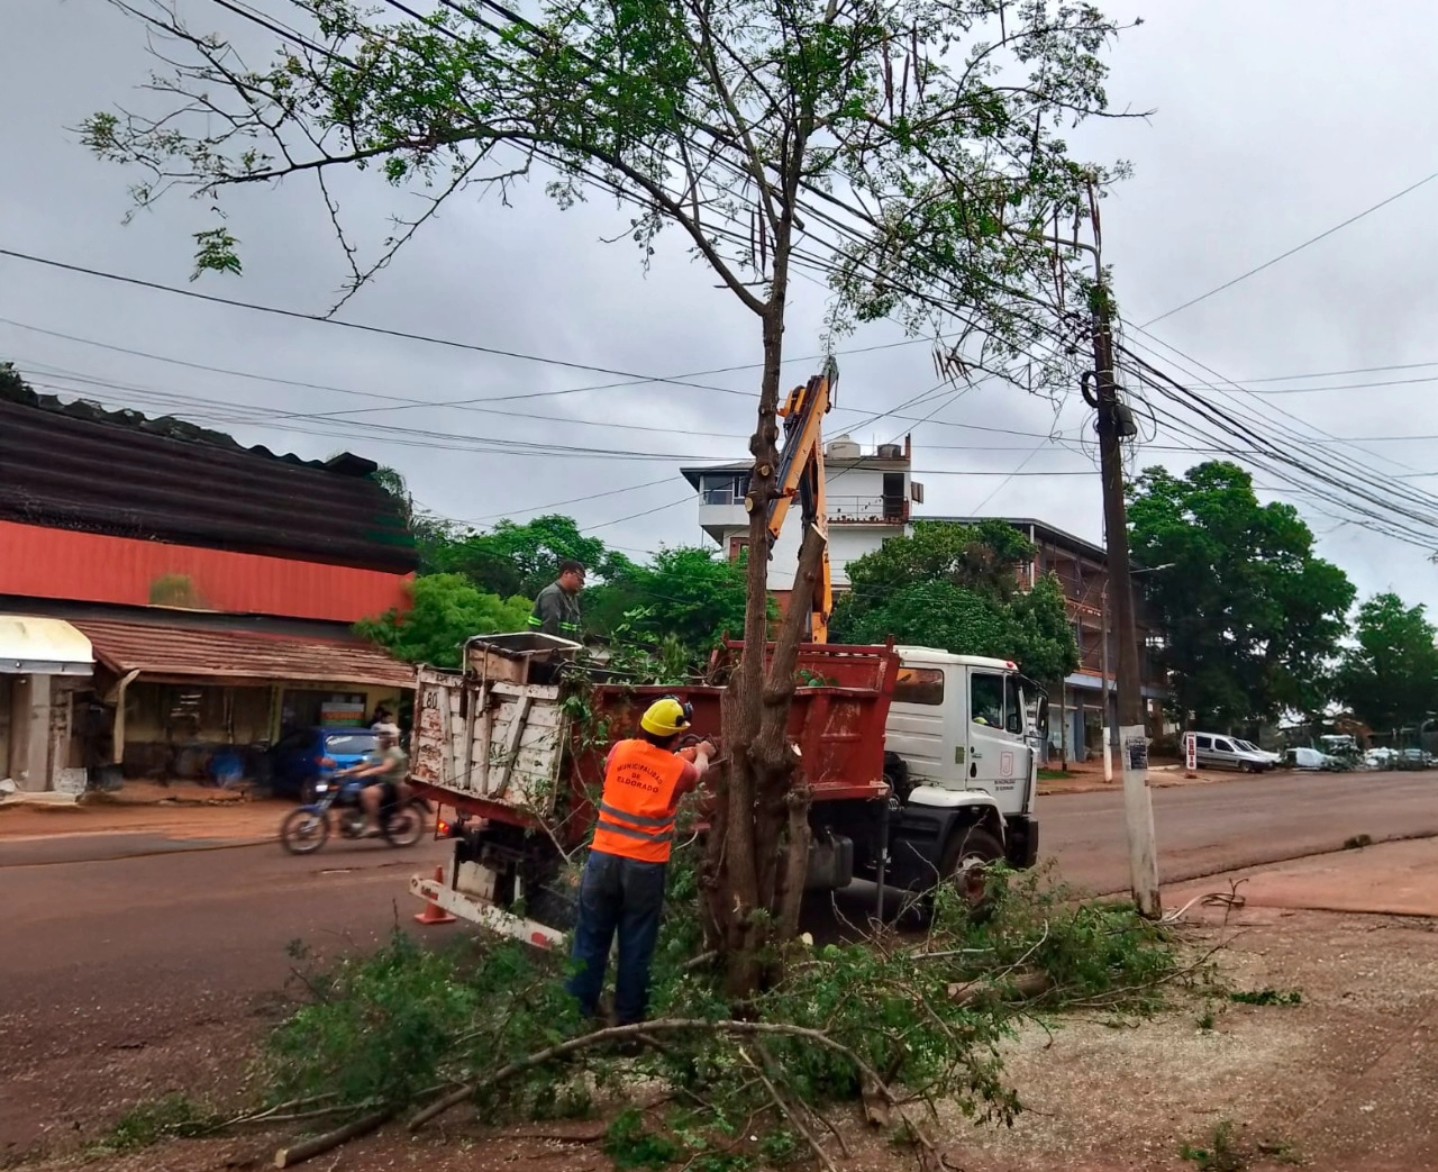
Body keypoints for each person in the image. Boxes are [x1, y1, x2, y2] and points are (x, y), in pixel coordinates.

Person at [566, 697, 715, 1027]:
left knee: (590, 938)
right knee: (636, 944)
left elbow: (646, 766)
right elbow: (695, 773)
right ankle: (628, 1024)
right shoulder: (679, 770)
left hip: (602, 859)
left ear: (644, 726)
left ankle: (574, 1019)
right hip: (644, 868)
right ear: (676, 738)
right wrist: (703, 752)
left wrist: (677, 755)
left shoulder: (620, 750)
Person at [348, 724, 409, 834]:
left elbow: (384, 768)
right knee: (356, 791)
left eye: (385, 735)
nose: (382, 737)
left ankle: (373, 825)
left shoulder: (395, 751)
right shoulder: (379, 751)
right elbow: (367, 764)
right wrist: (348, 771)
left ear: (391, 737)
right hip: (383, 782)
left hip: (393, 784)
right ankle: (360, 818)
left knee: (368, 793)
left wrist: (364, 774)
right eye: (381, 735)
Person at [529, 560, 585, 639]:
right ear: (566, 573)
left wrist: (581, 648)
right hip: (545, 647)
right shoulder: (552, 594)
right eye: (579, 579)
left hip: (564, 648)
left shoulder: (571, 597)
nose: (581, 583)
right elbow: (549, 630)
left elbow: (576, 629)